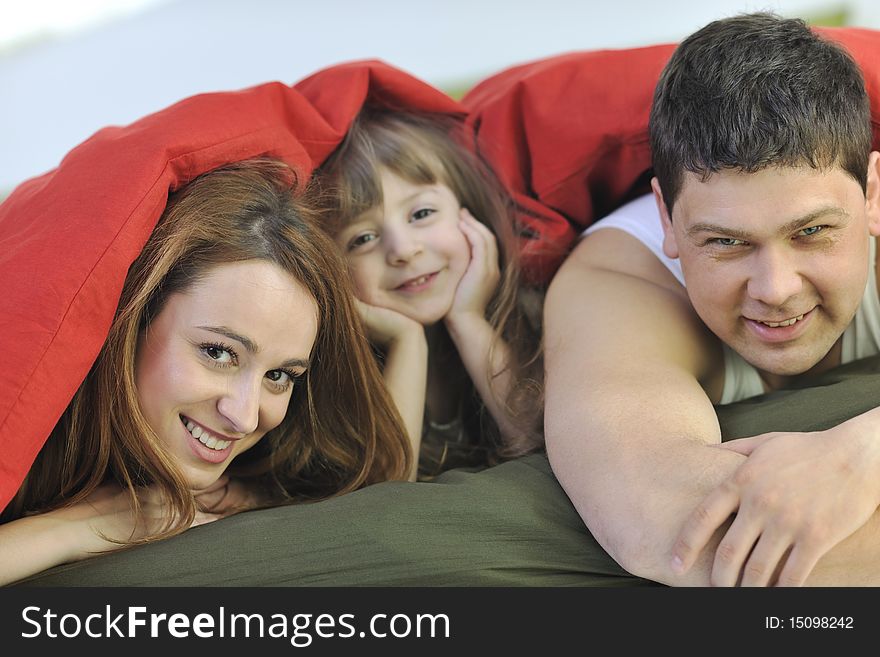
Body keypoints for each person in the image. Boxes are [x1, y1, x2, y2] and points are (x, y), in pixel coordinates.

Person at [544, 12, 880, 586]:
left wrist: (864, 451)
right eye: (726, 242)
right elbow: (673, 528)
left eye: (813, 232)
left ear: (873, 194)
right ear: (666, 218)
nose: (776, 289)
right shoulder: (618, 285)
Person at [0, 158, 411, 586]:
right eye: (218, 352)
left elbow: (385, 491)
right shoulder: (20, 412)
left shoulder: (260, 481)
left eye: (280, 376)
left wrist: (407, 340)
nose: (246, 416)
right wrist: (75, 528)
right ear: (132, 320)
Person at [315, 109, 544, 480]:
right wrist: (407, 342)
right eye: (362, 239)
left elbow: (545, 448)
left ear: (469, 215)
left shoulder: (533, 311)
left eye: (421, 213)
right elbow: (388, 493)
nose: (403, 249)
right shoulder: (334, 375)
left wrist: (467, 320)